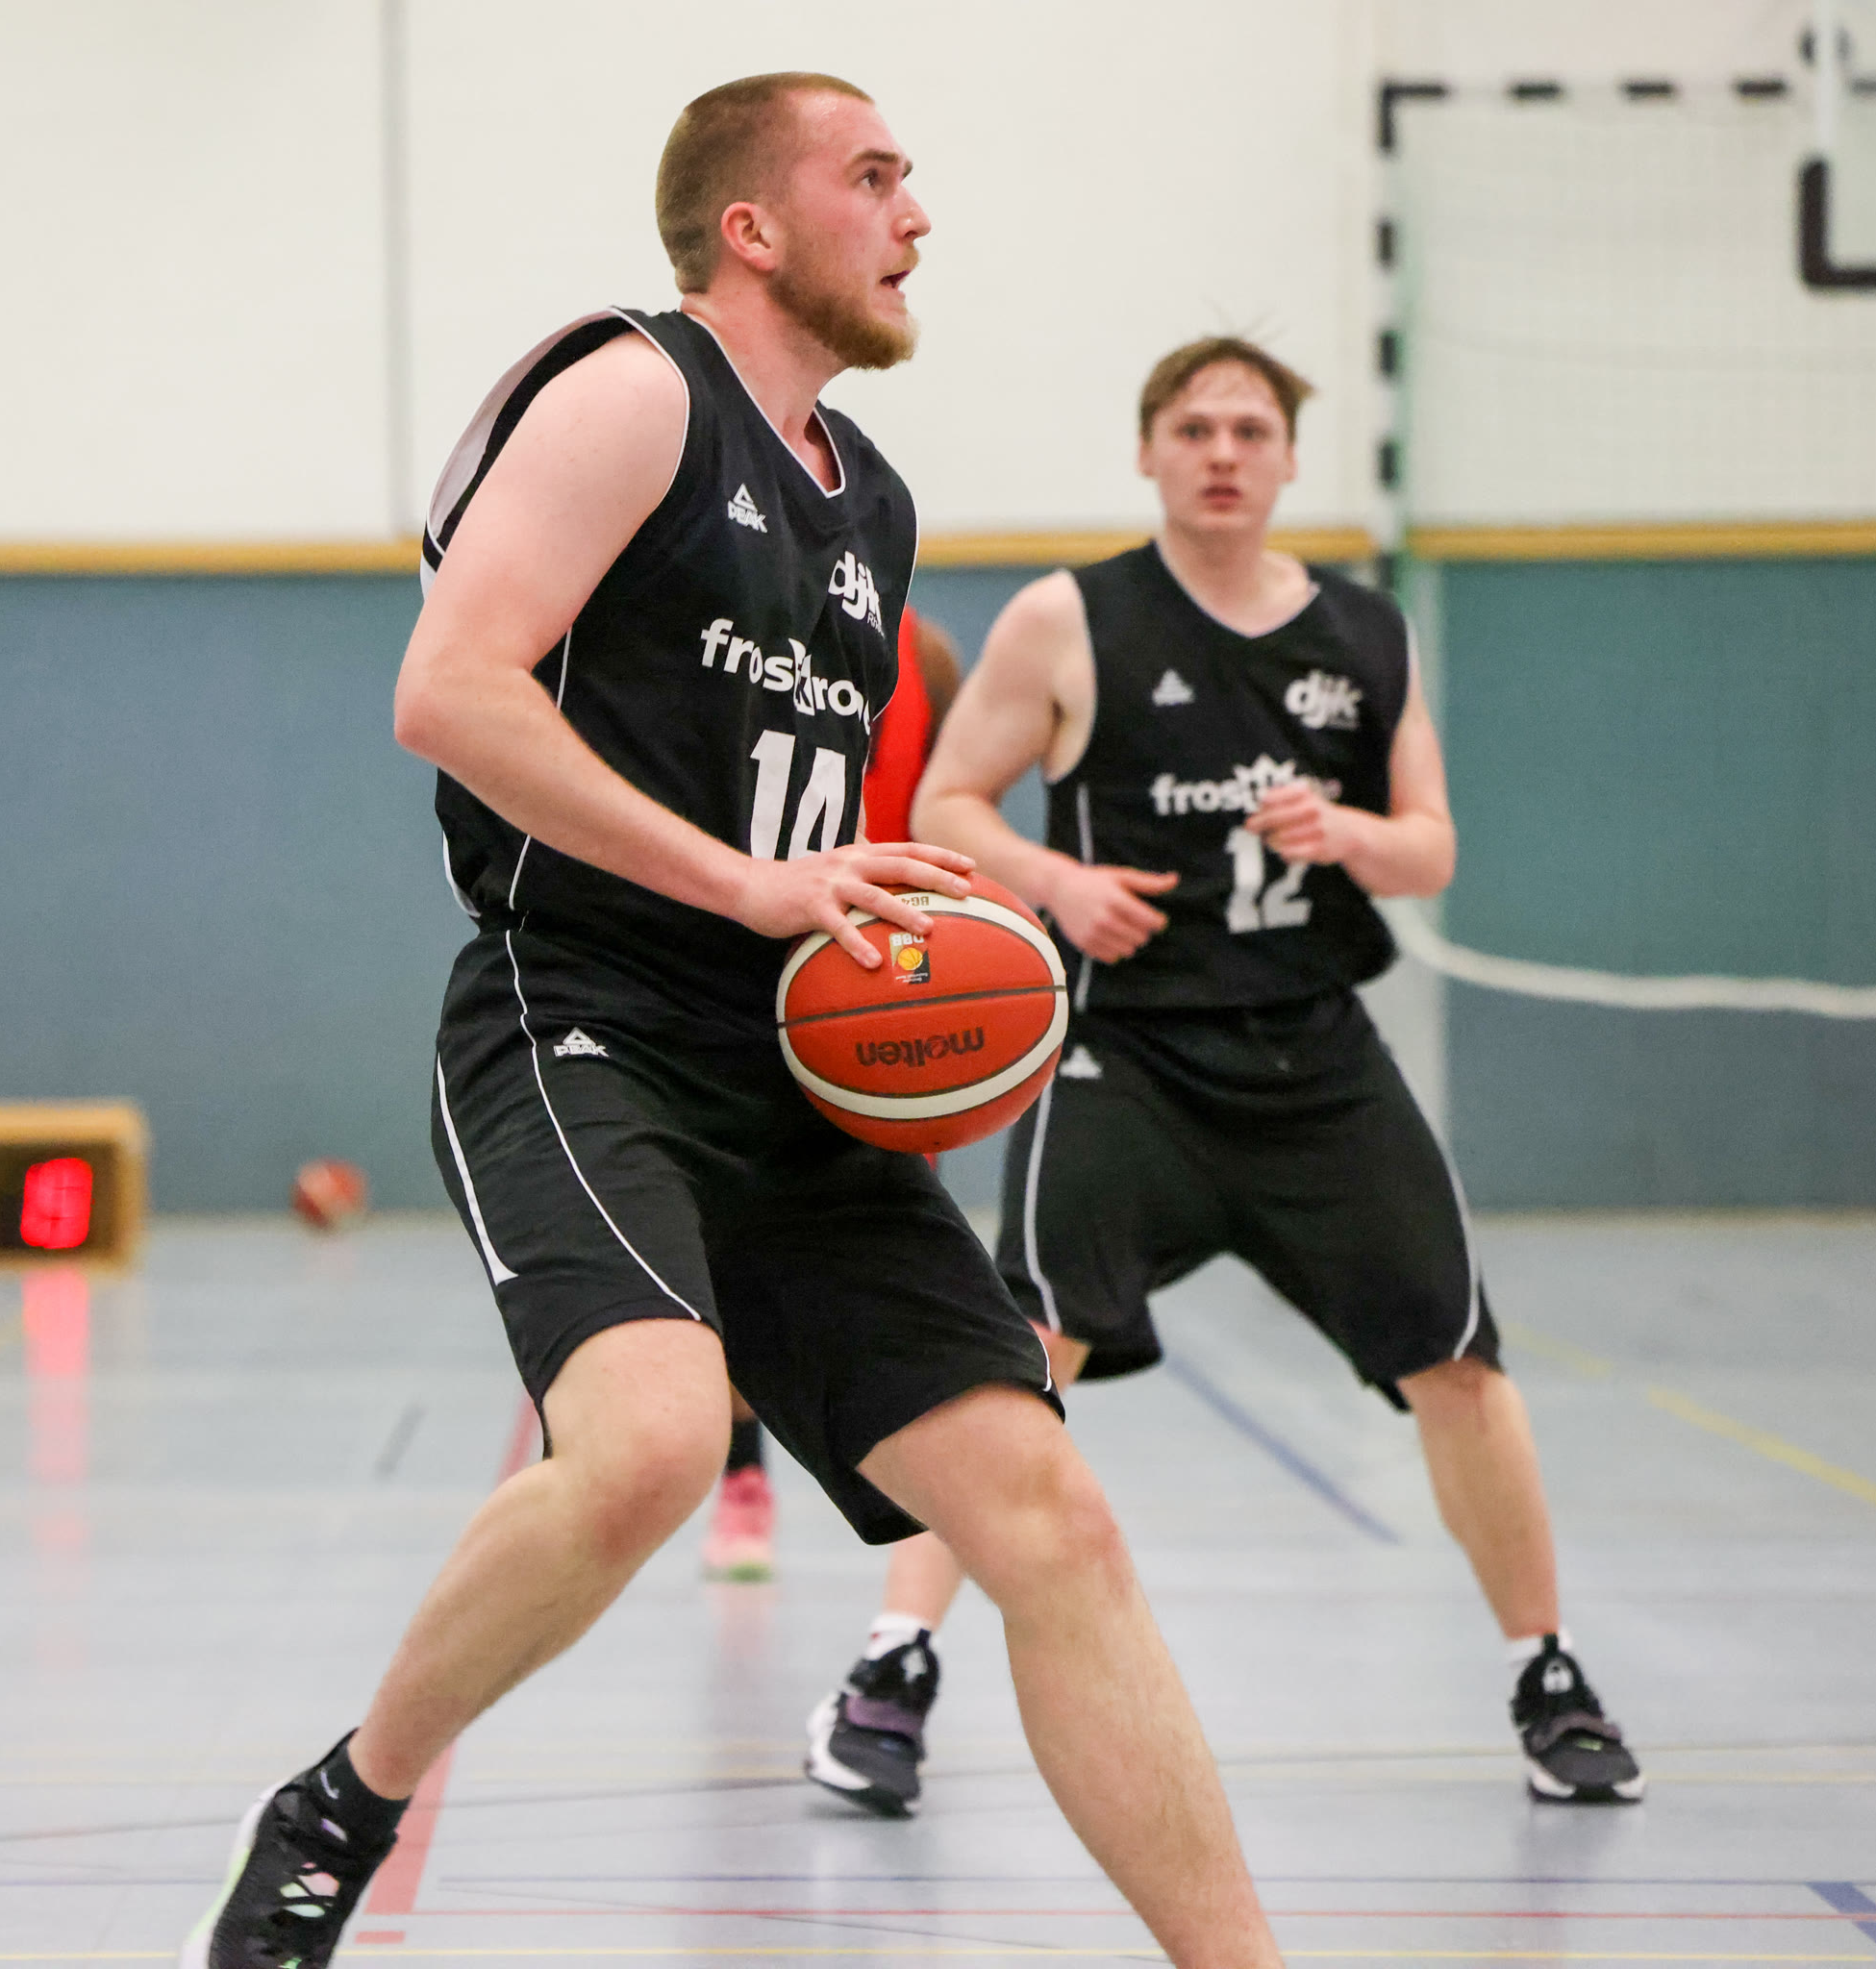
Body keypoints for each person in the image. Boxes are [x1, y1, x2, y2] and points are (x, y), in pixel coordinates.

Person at [182, 78, 1280, 1969]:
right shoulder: (632, 391)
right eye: (874, 178)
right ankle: (345, 1800)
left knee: (1049, 1520)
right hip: (580, 1014)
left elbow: (803, 840)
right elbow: (450, 692)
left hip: (785, 1062)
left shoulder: (874, 503)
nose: (914, 215)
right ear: (751, 227)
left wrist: (901, 924)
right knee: (646, 1447)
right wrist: (746, 883)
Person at [805, 335, 1644, 1818]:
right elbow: (946, 803)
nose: (1223, 453)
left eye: (1252, 430)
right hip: (1124, 1054)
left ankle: (1548, 1671)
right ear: (1149, 451)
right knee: (1015, 1358)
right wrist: (1058, 885)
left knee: (1458, 1359)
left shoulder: (1366, 634)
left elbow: (1432, 848)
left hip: (1316, 1057)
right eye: (1194, 428)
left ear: (1289, 460)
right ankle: (892, 1665)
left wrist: (1355, 837)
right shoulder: (1071, 619)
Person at [700, 606, 961, 1583]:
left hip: (883, 987)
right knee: (727, 1257)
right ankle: (743, 1475)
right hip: (748, 964)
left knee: (891, 1248)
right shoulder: (726, 625)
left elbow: (948, 814)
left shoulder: (925, 656)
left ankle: (919, 1484)